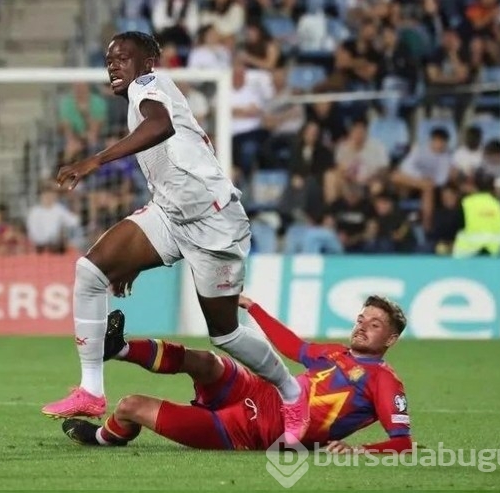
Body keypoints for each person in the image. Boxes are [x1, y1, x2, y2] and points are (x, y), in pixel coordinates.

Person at [43, 31, 305, 442]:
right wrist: (133, 260)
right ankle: (91, 390)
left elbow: (160, 125)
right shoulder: (140, 95)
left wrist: (96, 159)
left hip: (214, 224)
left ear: (148, 62)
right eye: (109, 59)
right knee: (92, 271)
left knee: (225, 333)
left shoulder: (149, 86)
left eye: (123, 58)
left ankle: (292, 393)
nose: (114, 65)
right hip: (171, 215)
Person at [62, 294, 413, 454]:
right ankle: (117, 348)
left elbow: (403, 442)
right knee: (207, 361)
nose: (362, 327)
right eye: (361, 319)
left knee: (130, 405)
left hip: (254, 431)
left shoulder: (384, 380)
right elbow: (294, 348)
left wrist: (362, 451)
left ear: (392, 339)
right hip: (260, 393)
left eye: (375, 324)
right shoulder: (336, 352)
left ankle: (102, 439)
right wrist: (253, 308)